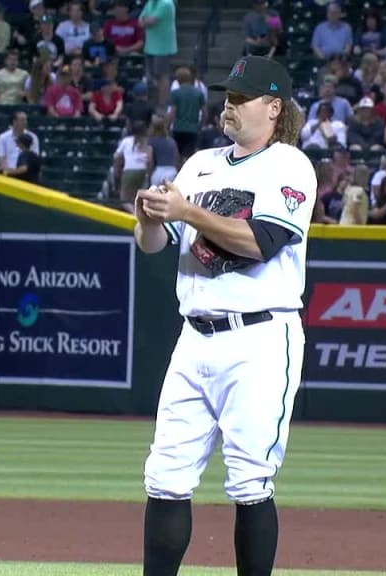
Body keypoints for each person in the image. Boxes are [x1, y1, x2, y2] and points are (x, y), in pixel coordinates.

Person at [133, 55, 312, 576]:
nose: (228, 107)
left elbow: (261, 243)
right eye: (227, 98)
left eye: (241, 99)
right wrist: (145, 219)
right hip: (194, 335)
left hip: (258, 337)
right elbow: (154, 244)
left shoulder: (289, 165)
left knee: (251, 480)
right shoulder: (201, 164)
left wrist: (187, 212)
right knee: (165, 475)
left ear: (274, 107)